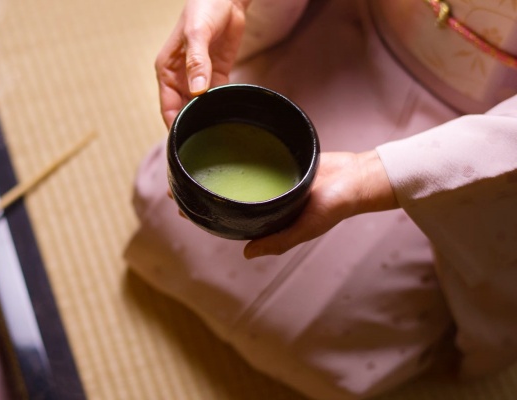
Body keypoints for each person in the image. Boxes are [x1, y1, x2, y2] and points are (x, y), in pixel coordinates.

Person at [124, 0, 517, 399]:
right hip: (354, 42)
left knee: (324, 340)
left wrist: (377, 175)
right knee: (167, 200)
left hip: (487, 134)